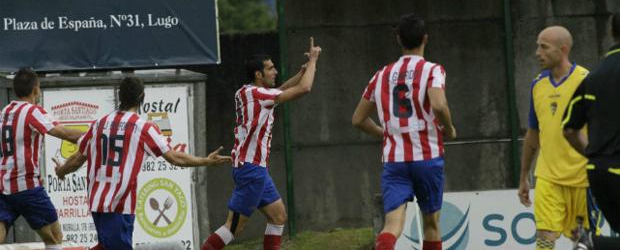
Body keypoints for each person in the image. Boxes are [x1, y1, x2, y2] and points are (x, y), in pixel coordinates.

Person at [54, 76, 232, 250]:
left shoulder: (99, 124)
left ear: (119, 96)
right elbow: (175, 157)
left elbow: (78, 158)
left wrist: (62, 171)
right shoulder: (143, 128)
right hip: (119, 205)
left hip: (97, 202)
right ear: (142, 98)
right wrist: (205, 161)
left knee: (106, 245)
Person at [201, 37, 322, 250]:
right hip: (251, 170)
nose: (275, 72)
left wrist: (301, 72)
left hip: (255, 170)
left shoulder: (249, 92)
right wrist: (313, 61)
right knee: (233, 228)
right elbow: (304, 89)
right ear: (259, 75)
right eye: (270, 68)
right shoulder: (258, 94)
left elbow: (282, 89)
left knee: (278, 216)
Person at [352, 14, 456, 250]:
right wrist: (448, 128)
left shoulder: (381, 75)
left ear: (398, 39)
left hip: (395, 160)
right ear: (425, 39)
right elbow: (439, 104)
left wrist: (384, 133)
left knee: (392, 226)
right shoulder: (432, 70)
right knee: (431, 224)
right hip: (427, 157)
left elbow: (358, 119)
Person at [518, 26, 591, 250]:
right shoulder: (537, 85)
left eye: (543, 47)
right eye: (537, 46)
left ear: (563, 50)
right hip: (548, 177)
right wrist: (524, 176)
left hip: (582, 179)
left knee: (582, 243)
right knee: (544, 241)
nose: (537, 52)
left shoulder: (586, 81)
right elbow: (533, 133)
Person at [0, 68, 84, 249]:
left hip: (4, 184)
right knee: (54, 236)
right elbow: (65, 134)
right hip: (27, 185)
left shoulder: (6, 110)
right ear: (36, 89)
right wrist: (96, 136)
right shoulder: (32, 111)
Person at [563, 13, 620, 250]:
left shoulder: (592, 77)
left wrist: (595, 154)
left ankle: (592, 244)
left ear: (610, 33)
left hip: (597, 172)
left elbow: (569, 129)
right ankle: (594, 245)